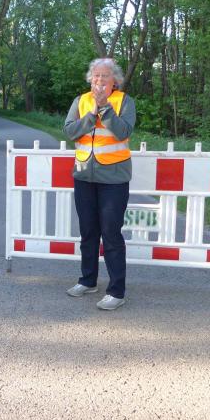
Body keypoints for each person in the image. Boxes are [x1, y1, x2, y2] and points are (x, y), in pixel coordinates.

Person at [63, 58, 136, 310]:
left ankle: (116, 291)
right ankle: (88, 280)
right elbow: (70, 131)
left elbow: (123, 132)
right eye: (96, 76)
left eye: (105, 76)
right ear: (90, 79)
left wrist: (104, 108)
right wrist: (91, 114)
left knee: (111, 233)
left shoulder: (124, 101)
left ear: (115, 80)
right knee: (88, 232)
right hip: (84, 175)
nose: (100, 80)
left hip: (114, 178)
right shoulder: (81, 101)